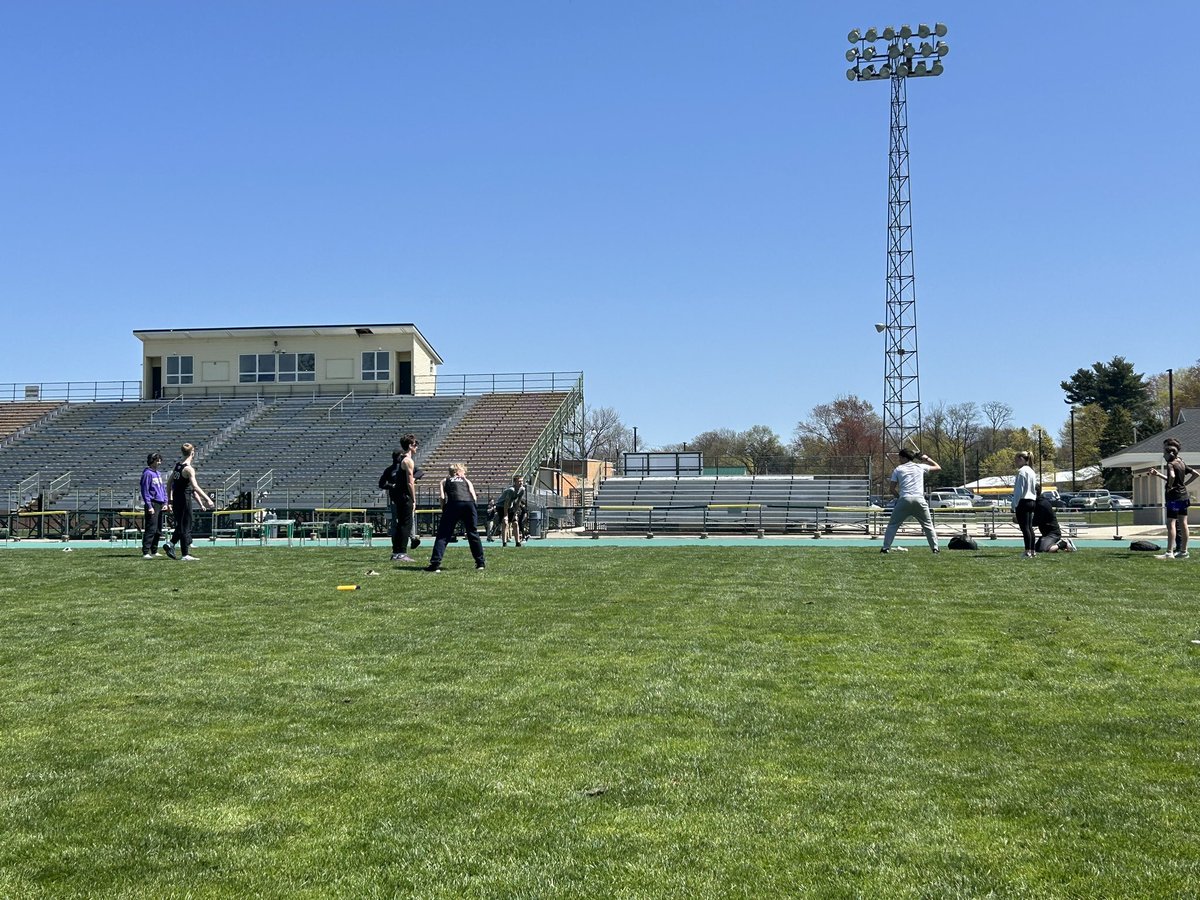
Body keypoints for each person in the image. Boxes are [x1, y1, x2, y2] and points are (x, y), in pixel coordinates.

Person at [425, 463, 486, 573]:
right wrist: (473, 508)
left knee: (443, 534)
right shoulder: (466, 481)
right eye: (464, 471)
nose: (465, 473)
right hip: (469, 504)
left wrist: (444, 509)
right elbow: (473, 495)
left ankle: (435, 563)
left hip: (453, 503)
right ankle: (480, 563)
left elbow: (442, 497)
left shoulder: (444, 481)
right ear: (459, 471)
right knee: (472, 533)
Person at [880, 446, 941, 554]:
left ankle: (885, 548)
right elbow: (938, 467)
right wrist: (926, 459)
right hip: (919, 499)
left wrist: (900, 498)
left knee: (893, 525)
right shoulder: (920, 467)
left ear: (904, 458)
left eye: (900, 458)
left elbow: (892, 489)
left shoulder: (898, 469)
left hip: (904, 499)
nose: (899, 460)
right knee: (928, 525)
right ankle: (935, 548)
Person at [1148, 437, 1199, 559]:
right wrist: (1184, 484)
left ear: (1169, 453)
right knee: (1183, 523)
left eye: (1164, 453)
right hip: (1183, 496)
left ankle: (1169, 552)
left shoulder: (1170, 464)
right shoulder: (1181, 462)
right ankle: (1183, 551)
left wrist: (1170, 486)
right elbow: (1196, 474)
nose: (1163, 455)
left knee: (1171, 523)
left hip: (1174, 498)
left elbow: (1171, 476)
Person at [163, 442, 214, 561]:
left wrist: (169, 499)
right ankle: (185, 554)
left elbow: (169, 483)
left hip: (176, 499)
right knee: (185, 525)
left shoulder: (177, 466)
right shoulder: (188, 469)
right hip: (184, 499)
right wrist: (207, 499)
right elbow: (195, 487)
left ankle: (171, 544)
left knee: (181, 525)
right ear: (192, 452)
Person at [378, 435, 419, 562]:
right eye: (415, 444)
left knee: (401, 524)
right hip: (404, 496)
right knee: (406, 525)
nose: (417, 446)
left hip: (398, 496)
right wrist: (413, 498)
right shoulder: (408, 461)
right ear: (410, 446)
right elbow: (410, 482)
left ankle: (396, 552)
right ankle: (401, 553)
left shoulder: (401, 460)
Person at [140, 452, 170, 558]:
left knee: (158, 529)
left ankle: (154, 550)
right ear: (152, 461)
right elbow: (145, 491)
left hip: (160, 503)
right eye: (157, 460)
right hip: (153, 503)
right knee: (151, 528)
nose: (159, 462)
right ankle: (145, 551)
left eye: (160, 460)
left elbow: (162, 489)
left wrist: (166, 502)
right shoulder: (147, 474)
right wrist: (149, 506)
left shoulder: (158, 473)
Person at [1011, 450, 1038, 559]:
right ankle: (1032, 550)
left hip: (1023, 501)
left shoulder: (1021, 471)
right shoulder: (1032, 471)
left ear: (1022, 459)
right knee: (1029, 527)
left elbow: (1019, 490)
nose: (1016, 462)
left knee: (1025, 528)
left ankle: (1027, 552)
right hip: (1032, 501)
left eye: (1017, 460)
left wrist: (1014, 504)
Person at [1033, 488, 1075, 553]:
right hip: (1046, 534)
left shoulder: (1041, 504)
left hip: (1053, 533)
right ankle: (1057, 545)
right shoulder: (1039, 502)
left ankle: (1064, 543)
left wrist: (1023, 521)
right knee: (1036, 549)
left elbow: (1036, 521)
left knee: (1044, 550)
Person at [496, 474, 527, 547]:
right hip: (501, 506)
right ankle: (504, 542)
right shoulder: (511, 490)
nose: (521, 483)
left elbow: (518, 502)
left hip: (510, 506)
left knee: (515, 523)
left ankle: (518, 542)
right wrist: (506, 515)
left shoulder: (522, 489)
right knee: (505, 522)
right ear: (515, 482)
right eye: (519, 481)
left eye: (522, 481)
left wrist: (515, 513)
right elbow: (506, 503)